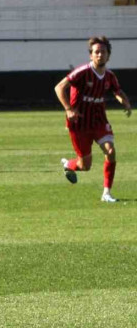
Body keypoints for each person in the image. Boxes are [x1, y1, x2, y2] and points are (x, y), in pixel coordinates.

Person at [54, 35, 131, 203]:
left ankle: (106, 193)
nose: (100, 55)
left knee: (110, 151)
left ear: (108, 55)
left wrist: (124, 102)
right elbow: (59, 87)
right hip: (79, 123)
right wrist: (68, 109)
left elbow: (117, 91)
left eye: (103, 52)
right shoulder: (82, 72)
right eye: (96, 52)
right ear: (91, 55)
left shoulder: (110, 76)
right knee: (85, 166)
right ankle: (69, 165)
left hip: (99, 121)